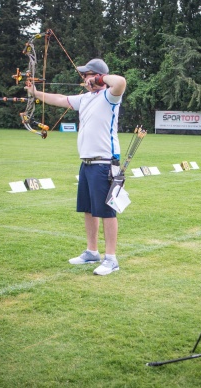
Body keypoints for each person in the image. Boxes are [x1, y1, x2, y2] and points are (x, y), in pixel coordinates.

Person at [26, 58, 127, 276]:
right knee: (89, 209)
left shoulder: (109, 97)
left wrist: (100, 79)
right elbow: (60, 99)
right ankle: (92, 252)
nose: (83, 79)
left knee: (107, 211)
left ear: (97, 76)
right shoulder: (85, 99)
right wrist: (35, 93)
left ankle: (111, 259)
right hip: (87, 163)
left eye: (86, 75)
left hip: (104, 163)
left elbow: (120, 82)